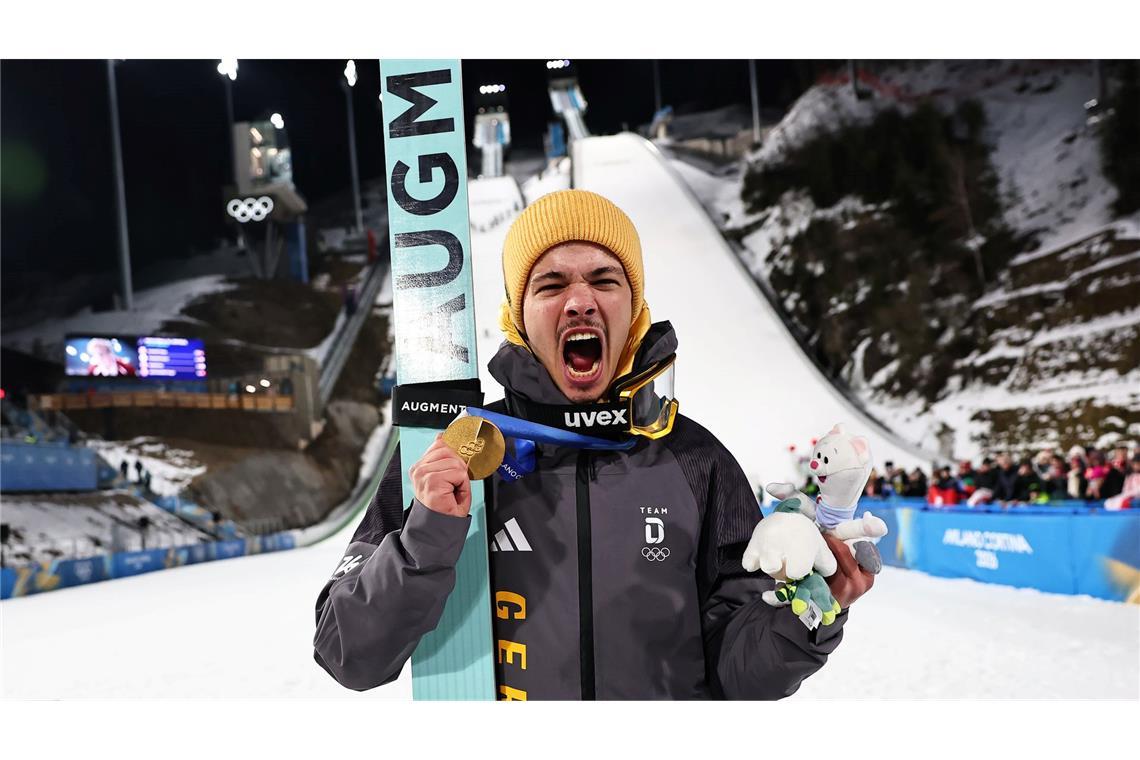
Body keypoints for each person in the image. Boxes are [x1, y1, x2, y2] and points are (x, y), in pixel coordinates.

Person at [312, 189, 874, 700]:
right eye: (551, 284)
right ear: (517, 317)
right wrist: (427, 538)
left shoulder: (696, 460)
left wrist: (802, 617)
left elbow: (741, 674)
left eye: (605, 280)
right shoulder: (456, 456)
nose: (580, 300)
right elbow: (348, 655)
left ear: (633, 311)